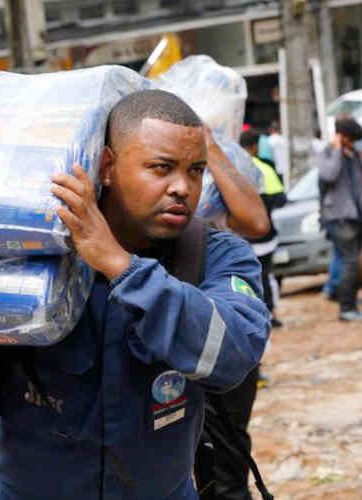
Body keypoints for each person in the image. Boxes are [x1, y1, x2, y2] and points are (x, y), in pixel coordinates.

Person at [0, 89, 270, 499]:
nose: (183, 188)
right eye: (161, 168)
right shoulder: (35, 258)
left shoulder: (214, 255)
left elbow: (234, 353)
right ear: (107, 166)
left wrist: (121, 267)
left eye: (196, 171)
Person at [318, 114, 362, 321]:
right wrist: (336, 150)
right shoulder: (327, 153)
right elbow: (329, 175)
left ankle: (345, 298)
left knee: (348, 261)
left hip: (356, 216)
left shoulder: (355, 156)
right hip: (338, 216)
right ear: (341, 137)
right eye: (349, 139)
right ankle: (347, 308)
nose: (353, 143)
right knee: (350, 261)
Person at [240, 130, 287, 327]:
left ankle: (252, 315)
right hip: (265, 236)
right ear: (255, 147)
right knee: (267, 276)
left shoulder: (231, 168)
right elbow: (281, 199)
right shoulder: (265, 168)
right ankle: (271, 314)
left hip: (241, 238)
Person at [268, 121, 290, 189]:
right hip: (285, 168)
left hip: (274, 169)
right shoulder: (284, 140)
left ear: (271, 130)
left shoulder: (269, 140)